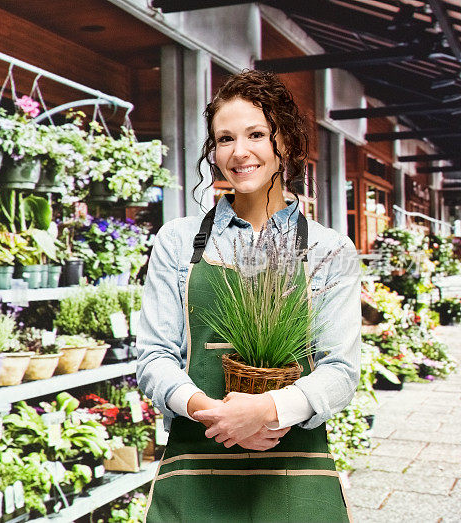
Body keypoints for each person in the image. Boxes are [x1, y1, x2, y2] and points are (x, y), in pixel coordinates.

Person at [137, 69, 360, 522]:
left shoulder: (328, 249)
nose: (239, 153)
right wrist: (214, 415)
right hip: (195, 471)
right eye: (224, 139)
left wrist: (266, 410)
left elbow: (340, 370)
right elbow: (155, 357)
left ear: (287, 144)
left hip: (295, 476)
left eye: (256, 134)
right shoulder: (179, 241)